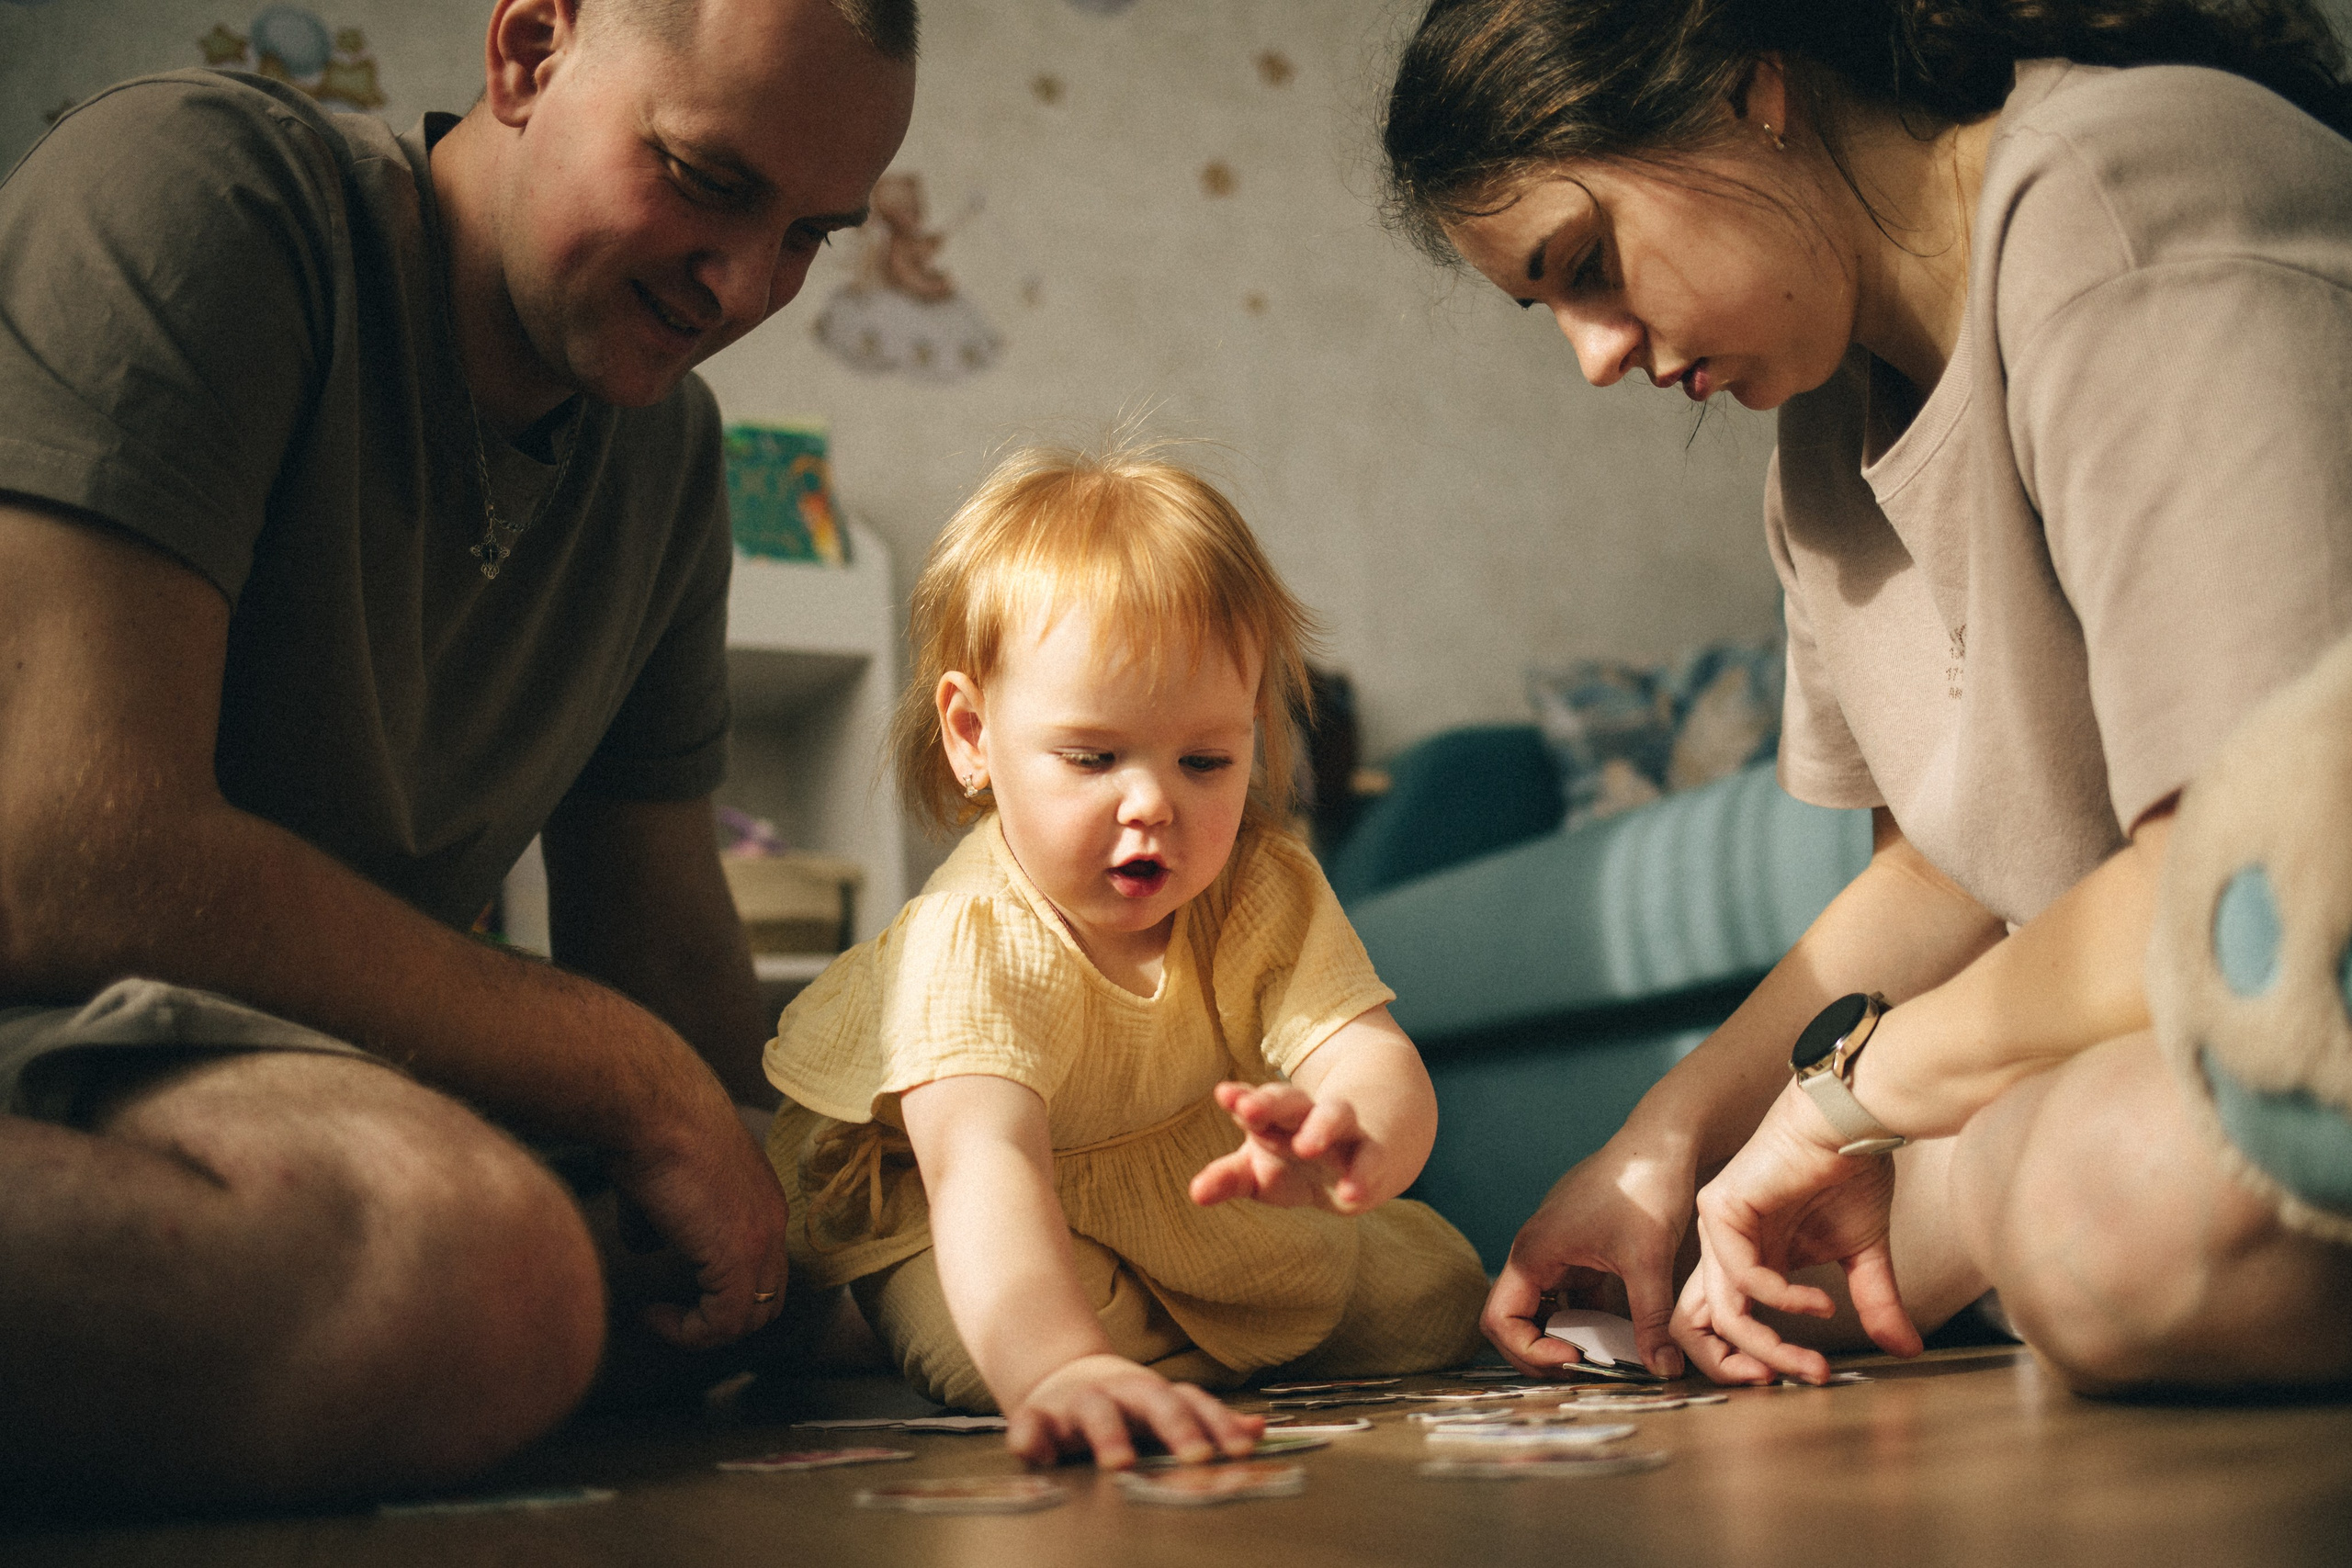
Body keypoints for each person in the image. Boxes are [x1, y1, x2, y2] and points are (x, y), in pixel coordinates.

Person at [0, 0, 916, 1509]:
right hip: (56, 1016)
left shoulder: (668, 459)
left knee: (822, 1233)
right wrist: (623, 1074)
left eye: (813, 233)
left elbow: (668, 974)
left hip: (270, 1088)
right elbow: (66, 850)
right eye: (706, 178)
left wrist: (937, 1143)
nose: (748, 284)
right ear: (530, 52)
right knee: (476, 1263)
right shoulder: (199, 196)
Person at [1377, 0, 2352, 1392]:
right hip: (2146, 1029)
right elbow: (1946, 874)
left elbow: (2242, 871)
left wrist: (1853, 1099)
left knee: (2117, 1203)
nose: (1593, 355)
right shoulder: (1828, 427)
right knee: (1742, 1275)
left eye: (1588, 264)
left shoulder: (2118, 194)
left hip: (2292, 966)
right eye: (1551, 306)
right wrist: (1671, 1132)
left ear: (1751, 86)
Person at [762, 444, 1488, 1469]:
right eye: (1093, 758)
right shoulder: (967, 938)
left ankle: (1169, 1343)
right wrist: (1058, 1370)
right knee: (1003, 1349)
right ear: (973, 735)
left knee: (1437, 1293)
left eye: (1205, 760)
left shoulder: (1261, 885)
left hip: (1189, 1199)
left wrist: (1348, 1140)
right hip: (973, 1206)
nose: (1153, 803)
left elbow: (1368, 1055)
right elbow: (982, 1167)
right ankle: (859, 1321)